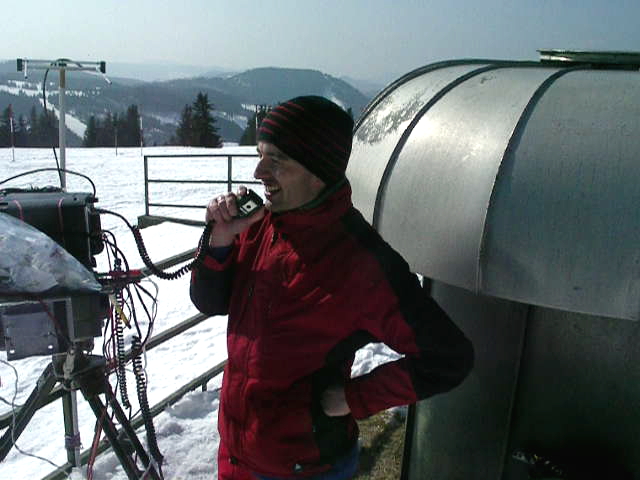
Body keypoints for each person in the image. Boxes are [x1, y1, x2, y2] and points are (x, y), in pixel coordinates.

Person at [190, 96, 473, 480]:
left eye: (277, 160)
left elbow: (447, 357)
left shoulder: (360, 261)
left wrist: (353, 399)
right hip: (238, 456)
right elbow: (209, 301)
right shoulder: (260, 226)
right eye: (260, 155)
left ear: (317, 171)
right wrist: (220, 239)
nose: (258, 172)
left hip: (304, 468)